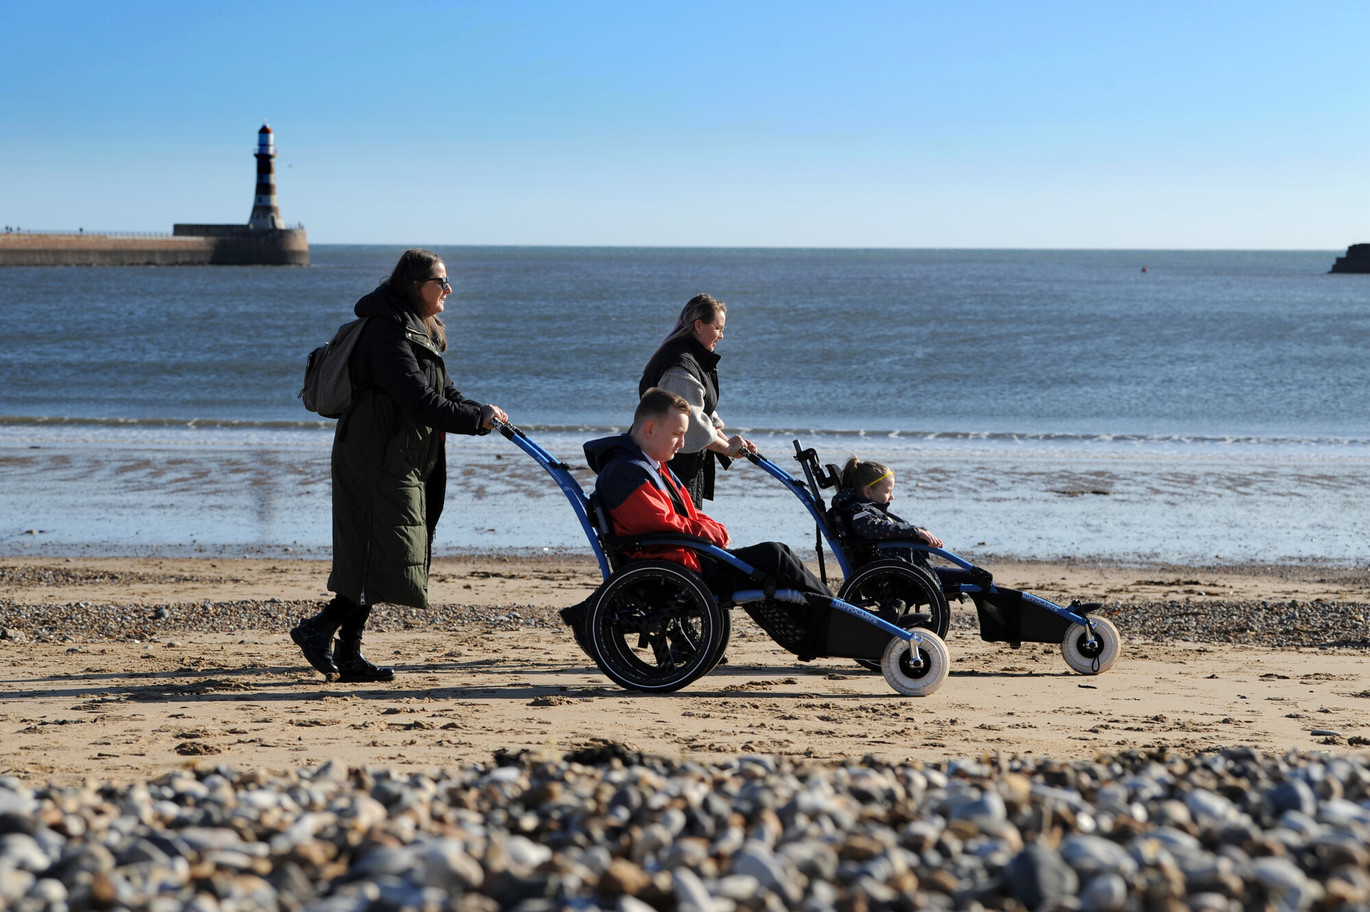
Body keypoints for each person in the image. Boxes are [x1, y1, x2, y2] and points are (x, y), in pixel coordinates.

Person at [291, 248, 509, 683]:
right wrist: (473, 421)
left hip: (401, 456)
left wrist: (481, 411)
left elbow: (444, 390)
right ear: (414, 285)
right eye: (440, 282)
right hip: (375, 456)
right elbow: (418, 400)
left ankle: (348, 654)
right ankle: (318, 630)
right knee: (377, 552)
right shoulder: (386, 332)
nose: (448, 289)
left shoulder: (420, 328)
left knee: (384, 553)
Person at [581, 388, 830, 614]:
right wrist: (712, 533)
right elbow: (661, 524)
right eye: (677, 434)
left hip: (684, 561)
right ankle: (834, 614)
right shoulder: (625, 473)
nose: (683, 443)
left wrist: (714, 528)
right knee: (774, 556)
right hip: (675, 572)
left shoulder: (651, 465)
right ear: (650, 429)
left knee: (775, 555)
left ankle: (831, 611)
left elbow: (685, 513)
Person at [637, 294, 754, 506]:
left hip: (679, 464)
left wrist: (731, 444)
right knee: (680, 533)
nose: (722, 336)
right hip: (668, 467)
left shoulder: (691, 358)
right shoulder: (679, 367)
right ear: (699, 325)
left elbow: (705, 413)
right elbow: (691, 425)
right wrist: (727, 449)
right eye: (718, 328)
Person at [829, 456, 943, 570]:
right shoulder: (860, 513)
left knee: (959, 576)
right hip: (896, 574)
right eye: (888, 491)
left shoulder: (869, 511)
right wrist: (915, 532)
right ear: (868, 491)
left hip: (912, 569)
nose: (892, 497)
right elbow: (876, 528)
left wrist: (919, 532)